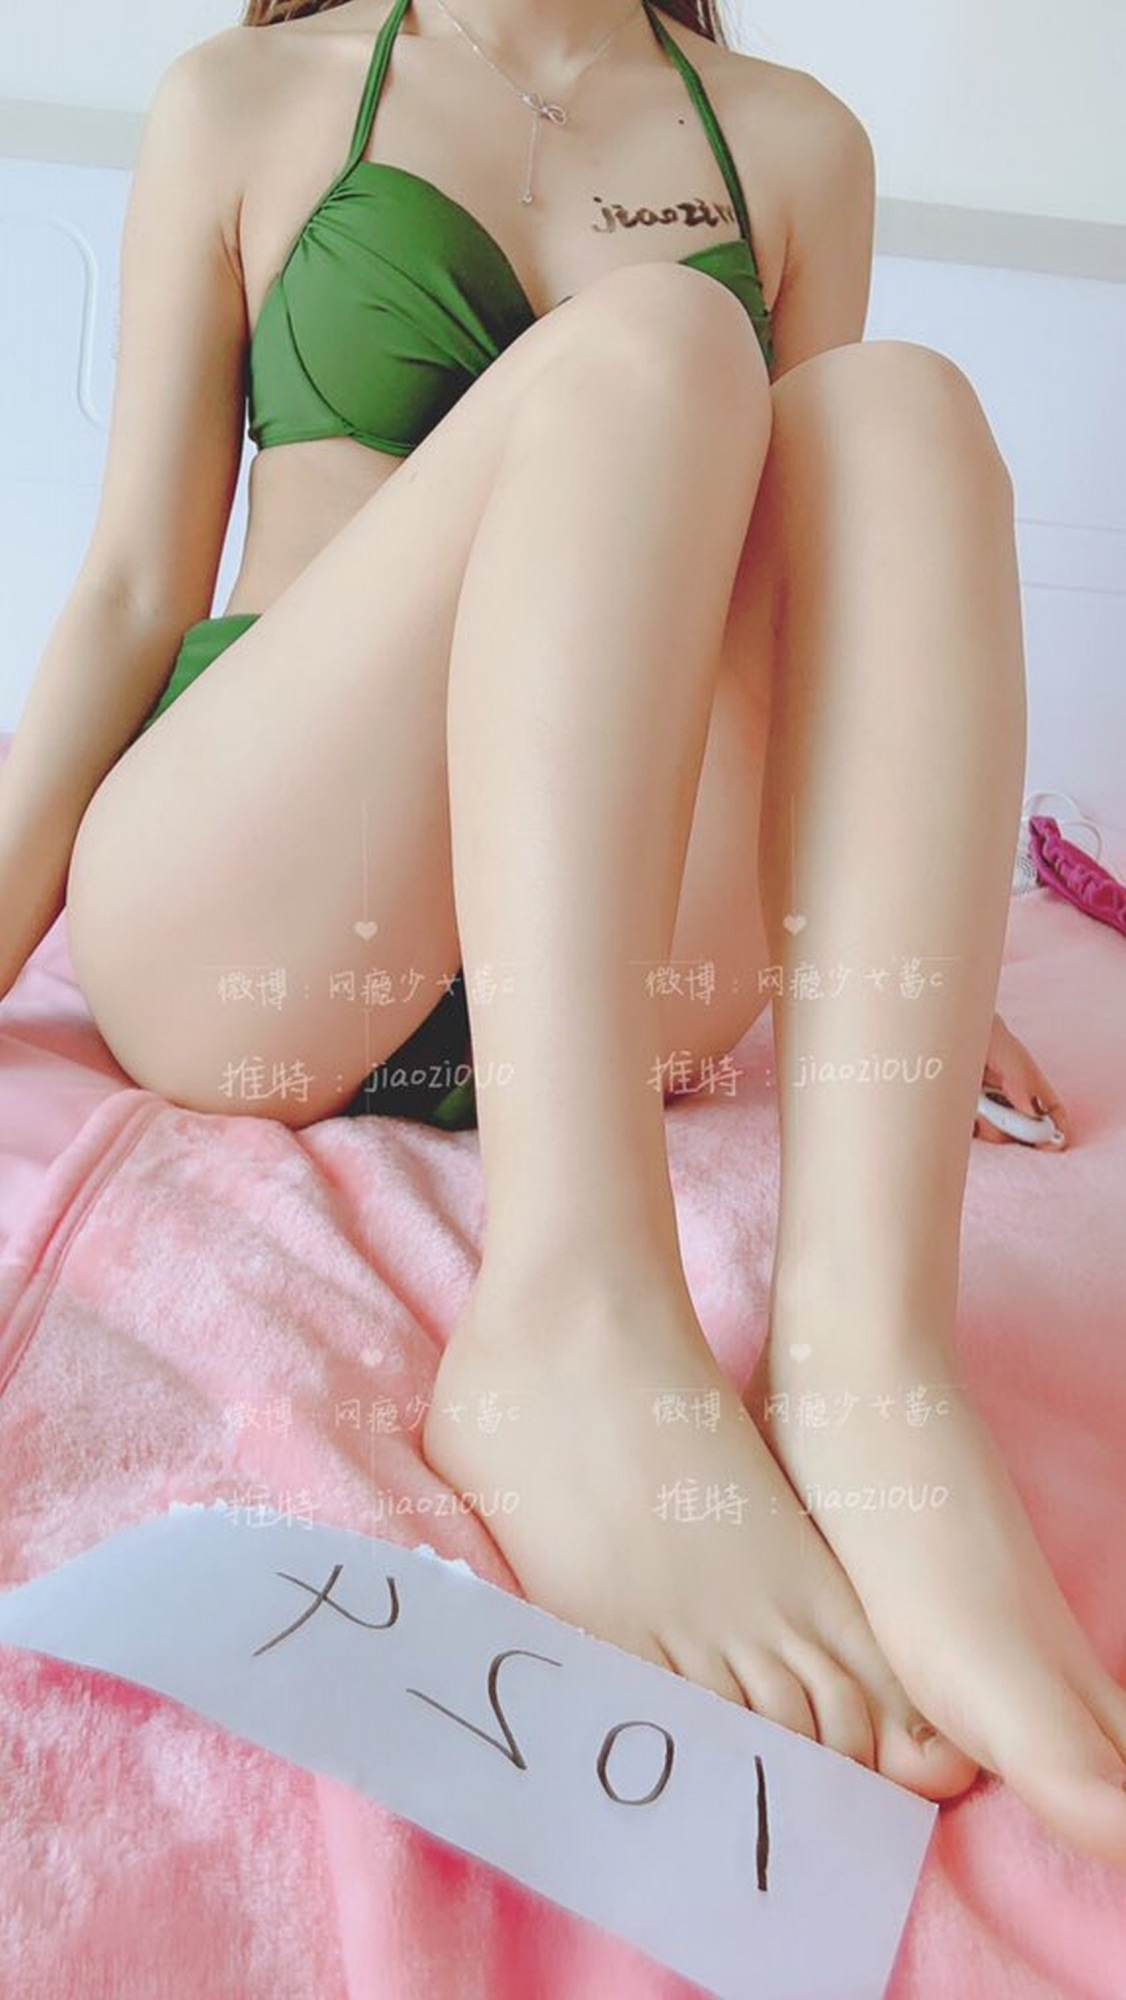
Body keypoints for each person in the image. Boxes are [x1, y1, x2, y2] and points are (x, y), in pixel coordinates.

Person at [0, 0, 1119, 1868]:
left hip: (628, 960)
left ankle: (864, 1370)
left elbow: (810, 610)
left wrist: (895, 975)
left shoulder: (794, 142)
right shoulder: (249, 97)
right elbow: (130, 585)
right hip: (270, 920)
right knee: (659, 340)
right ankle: (570, 1312)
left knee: (892, 414)